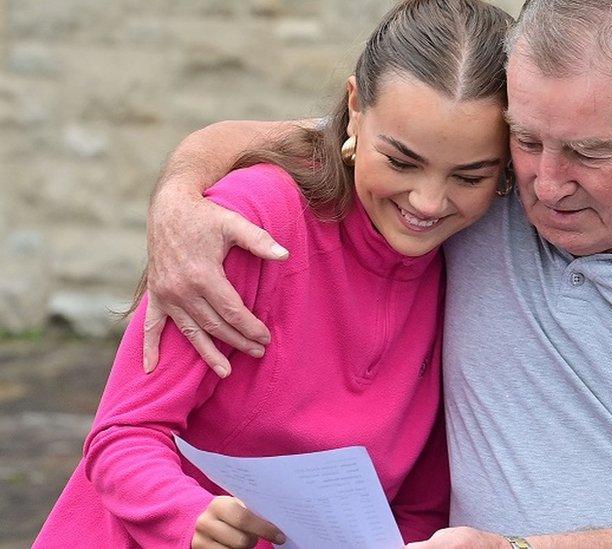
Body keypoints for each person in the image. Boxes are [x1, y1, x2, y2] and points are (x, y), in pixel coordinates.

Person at [143, 1, 612, 548]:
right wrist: (177, 197)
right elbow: (347, 137)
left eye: (587, 152)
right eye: (527, 138)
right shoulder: (477, 186)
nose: (545, 182)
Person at [33, 1, 513, 547]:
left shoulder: (472, 261)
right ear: (355, 108)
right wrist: (187, 514)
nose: (428, 202)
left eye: (470, 177)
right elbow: (123, 434)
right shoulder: (251, 221)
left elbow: (420, 504)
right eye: (401, 162)